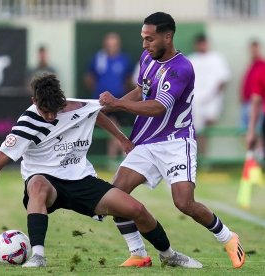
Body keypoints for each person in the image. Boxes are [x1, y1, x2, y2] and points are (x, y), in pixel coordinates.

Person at [0, 73, 202, 268]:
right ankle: (38, 255)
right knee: (37, 185)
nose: (50, 116)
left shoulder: (77, 107)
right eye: (44, 111)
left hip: (80, 180)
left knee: (136, 209)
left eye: (54, 110)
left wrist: (122, 139)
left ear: (61, 100)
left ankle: (169, 255)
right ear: (33, 101)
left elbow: (97, 114)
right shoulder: (27, 123)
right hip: (47, 182)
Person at [99, 12, 245, 269]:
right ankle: (138, 254)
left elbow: (158, 107)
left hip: (177, 142)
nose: (145, 45)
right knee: (116, 195)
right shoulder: (147, 57)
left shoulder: (182, 68)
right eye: (143, 38)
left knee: (184, 203)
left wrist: (119, 104)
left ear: (168, 37)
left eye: (150, 39)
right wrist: (115, 104)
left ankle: (228, 238)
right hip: (146, 142)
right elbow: (142, 90)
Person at [84, 32, 135, 166]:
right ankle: (119, 158)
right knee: (113, 128)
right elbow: (89, 77)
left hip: (119, 100)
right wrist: (98, 92)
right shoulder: (99, 58)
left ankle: (114, 158)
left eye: (114, 44)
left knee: (116, 129)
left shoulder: (124, 59)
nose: (112, 47)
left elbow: (129, 79)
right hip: (102, 103)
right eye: (109, 44)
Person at [187, 33, 231, 156]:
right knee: (196, 130)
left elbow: (224, 79)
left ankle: (203, 157)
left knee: (206, 126)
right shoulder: (191, 59)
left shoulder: (217, 58)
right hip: (195, 101)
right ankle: (199, 158)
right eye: (200, 44)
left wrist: (214, 96)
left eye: (204, 43)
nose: (202, 46)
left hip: (212, 100)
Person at [242, 40, 265, 157]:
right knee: (249, 130)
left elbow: (257, 97)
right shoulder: (251, 65)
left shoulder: (261, 65)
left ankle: (257, 154)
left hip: (257, 105)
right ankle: (253, 155)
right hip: (248, 103)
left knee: (257, 132)